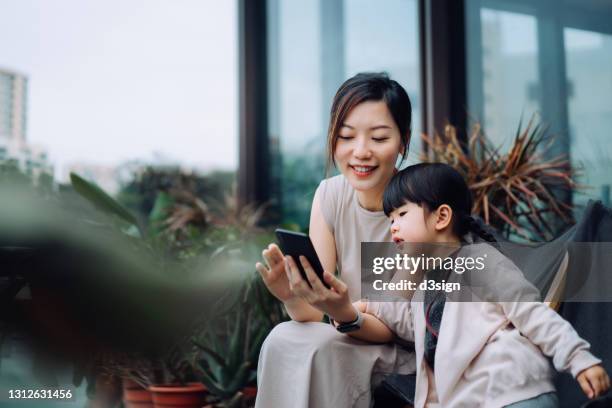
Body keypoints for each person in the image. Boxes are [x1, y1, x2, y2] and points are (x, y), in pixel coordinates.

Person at [285, 162, 611, 407]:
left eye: (400, 214)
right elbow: (414, 325)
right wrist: (363, 307)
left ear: (441, 217)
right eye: (389, 219)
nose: (393, 226)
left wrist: (579, 359)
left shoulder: (479, 262)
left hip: (513, 394)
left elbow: (532, 314)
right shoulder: (429, 278)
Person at [255, 72, 415, 408]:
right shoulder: (330, 194)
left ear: (403, 141)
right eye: (346, 137)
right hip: (349, 329)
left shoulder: (419, 206)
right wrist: (291, 294)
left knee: (321, 348)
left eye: (379, 138)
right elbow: (313, 313)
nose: (360, 152)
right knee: (281, 338)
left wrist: (344, 313)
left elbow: (394, 327)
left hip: (402, 347)